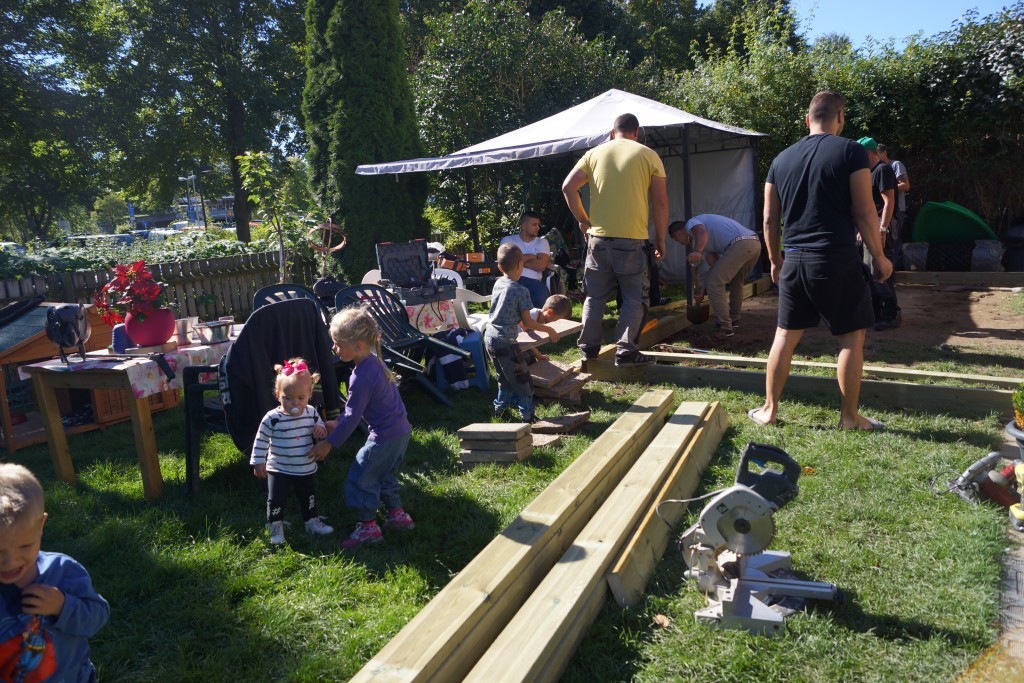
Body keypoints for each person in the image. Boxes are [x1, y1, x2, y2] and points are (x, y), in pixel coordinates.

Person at [750, 91, 893, 431]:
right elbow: (865, 210)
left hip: (794, 260)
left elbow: (769, 219)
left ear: (807, 119)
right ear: (840, 117)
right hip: (835, 259)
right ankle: (849, 418)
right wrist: (879, 256)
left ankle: (769, 411)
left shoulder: (780, 160)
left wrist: (775, 260)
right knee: (851, 337)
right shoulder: (851, 151)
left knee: (784, 336)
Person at [562, 112, 669, 367]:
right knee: (634, 298)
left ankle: (588, 349)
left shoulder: (593, 154)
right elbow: (661, 203)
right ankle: (626, 351)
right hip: (632, 241)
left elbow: (568, 187)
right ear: (636, 132)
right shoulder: (648, 155)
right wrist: (661, 239)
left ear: (612, 132)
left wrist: (583, 220)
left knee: (595, 297)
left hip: (598, 240)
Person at [309, 307, 414, 550]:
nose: (334, 348)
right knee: (383, 473)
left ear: (357, 345)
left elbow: (353, 417)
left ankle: (368, 528)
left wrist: (328, 443)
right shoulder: (374, 361)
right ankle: (397, 515)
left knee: (361, 476)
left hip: (384, 438)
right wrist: (339, 422)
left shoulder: (360, 375)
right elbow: (355, 410)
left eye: (337, 343)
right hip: (401, 432)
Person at [0, 463, 110, 682]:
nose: (10, 561)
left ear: (41, 525)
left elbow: (97, 617)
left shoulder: (63, 572)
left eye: (25, 546)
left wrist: (62, 607)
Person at [250, 357, 334, 545]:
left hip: (304, 466)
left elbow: (320, 427)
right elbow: (261, 439)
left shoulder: (311, 412)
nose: (294, 403)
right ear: (278, 394)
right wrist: (258, 461)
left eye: (300, 398)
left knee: (308, 496)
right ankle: (275, 525)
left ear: (309, 394)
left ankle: (311, 521)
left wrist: (320, 430)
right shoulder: (272, 418)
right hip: (278, 467)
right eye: (287, 398)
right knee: (276, 498)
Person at [485, 243, 560, 422]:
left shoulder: (498, 283)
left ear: (499, 267)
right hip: (506, 343)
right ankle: (528, 416)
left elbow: (508, 311)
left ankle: (500, 411)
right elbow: (528, 322)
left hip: (489, 338)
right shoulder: (521, 291)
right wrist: (549, 329)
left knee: (504, 379)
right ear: (521, 264)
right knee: (524, 382)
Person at [668, 215, 762, 337]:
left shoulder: (691, 223)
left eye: (677, 240)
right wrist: (703, 290)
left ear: (679, 233)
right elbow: (715, 267)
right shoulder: (704, 243)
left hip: (740, 244)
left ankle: (725, 327)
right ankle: (733, 319)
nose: (680, 243)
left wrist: (697, 251)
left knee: (715, 284)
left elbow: (701, 232)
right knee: (735, 283)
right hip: (753, 243)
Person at [857, 136, 901, 330]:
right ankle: (875, 314)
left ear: (868, 154)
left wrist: (882, 229)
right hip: (871, 228)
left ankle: (892, 314)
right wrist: (863, 228)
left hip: (882, 229)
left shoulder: (882, 170)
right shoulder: (869, 172)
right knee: (869, 271)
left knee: (882, 273)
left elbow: (888, 201)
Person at [499, 211, 551, 308]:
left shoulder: (542, 242)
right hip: (512, 280)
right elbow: (506, 262)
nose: (538, 228)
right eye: (534, 225)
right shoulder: (508, 240)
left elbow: (541, 266)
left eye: (538, 224)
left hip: (534, 283)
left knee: (543, 301)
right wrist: (532, 256)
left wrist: (516, 261)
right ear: (523, 226)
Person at [877, 143, 910, 254]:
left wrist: (886, 189)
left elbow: (905, 185)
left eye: (878, 153)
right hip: (882, 210)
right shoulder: (876, 168)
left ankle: (897, 263)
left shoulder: (896, 165)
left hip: (897, 210)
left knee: (894, 239)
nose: (876, 156)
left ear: (884, 153)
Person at [526, 294, 573, 362]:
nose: (558, 324)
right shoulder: (531, 316)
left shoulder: (540, 317)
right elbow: (526, 340)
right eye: (557, 321)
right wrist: (539, 355)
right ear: (549, 312)